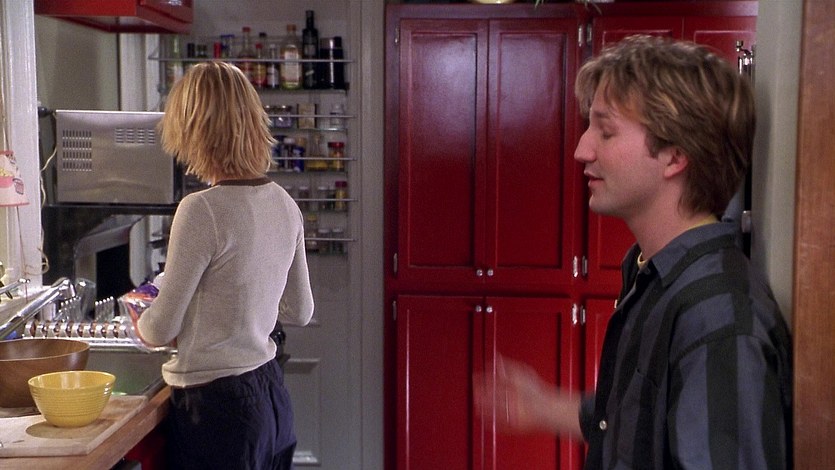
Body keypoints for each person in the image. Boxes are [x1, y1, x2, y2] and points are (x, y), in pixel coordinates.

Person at [474, 35, 792, 469]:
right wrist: (546, 407)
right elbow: (641, 423)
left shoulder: (718, 316)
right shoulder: (654, 273)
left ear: (675, 156)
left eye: (605, 131)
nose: (581, 150)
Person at [131, 61, 314, 469]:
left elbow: (160, 328)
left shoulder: (201, 210)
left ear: (194, 131)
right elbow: (301, 311)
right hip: (271, 397)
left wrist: (139, 319)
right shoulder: (285, 204)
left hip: (217, 410)